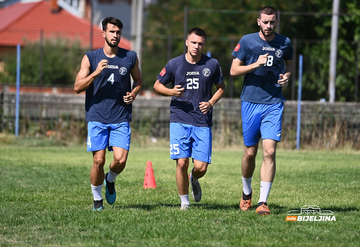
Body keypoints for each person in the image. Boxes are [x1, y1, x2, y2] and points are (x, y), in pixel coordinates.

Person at [230, 6, 293, 215]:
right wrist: (255, 64)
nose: (269, 25)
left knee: (270, 151)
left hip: (274, 102)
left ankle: (262, 202)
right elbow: (233, 70)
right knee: (250, 153)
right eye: (265, 22)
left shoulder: (284, 42)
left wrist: (287, 76)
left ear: (276, 21)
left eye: (272, 22)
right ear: (258, 21)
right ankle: (246, 194)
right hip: (250, 102)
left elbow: (289, 63)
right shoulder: (247, 41)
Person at [74, 17, 142, 211]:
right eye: (112, 31)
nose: (115, 35)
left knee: (120, 160)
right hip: (97, 116)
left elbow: (138, 81)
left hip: (120, 116)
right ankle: (97, 200)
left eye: (118, 32)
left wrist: (134, 93)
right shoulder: (90, 57)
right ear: (103, 33)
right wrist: (95, 73)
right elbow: (77, 87)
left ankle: (109, 179)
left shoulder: (130, 57)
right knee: (98, 160)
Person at [153, 27, 225, 210]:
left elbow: (221, 87)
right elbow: (156, 86)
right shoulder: (174, 64)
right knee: (182, 162)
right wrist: (171, 92)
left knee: (201, 167)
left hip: (202, 120)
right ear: (186, 42)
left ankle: (194, 178)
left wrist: (210, 103)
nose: (197, 46)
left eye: (200, 44)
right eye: (193, 42)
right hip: (179, 118)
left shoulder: (212, 64)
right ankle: (184, 202)